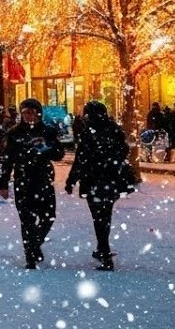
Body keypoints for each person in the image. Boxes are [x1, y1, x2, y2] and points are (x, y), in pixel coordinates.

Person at [64, 100, 135, 271]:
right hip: (111, 179)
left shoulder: (89, 132)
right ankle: (102, 248)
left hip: (94, 179)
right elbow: (123, 150)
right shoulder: (113, 129)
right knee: (104, 216)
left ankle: (104, 251)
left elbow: (81, 159)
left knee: (98, 218)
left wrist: (71, 180)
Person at [0, 97, 66, 269]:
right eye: (26, 113)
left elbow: (59, 154)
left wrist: (47, 150)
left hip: (43, 179)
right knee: (27, 220)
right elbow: (7, 160)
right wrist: (3, 183)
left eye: (33, 112)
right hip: (23, 180)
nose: (29, 116)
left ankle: (34, 245)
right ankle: (30, 255)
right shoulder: (14, 133)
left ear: (39, 114)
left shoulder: (47, 131)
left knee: (48, 217)